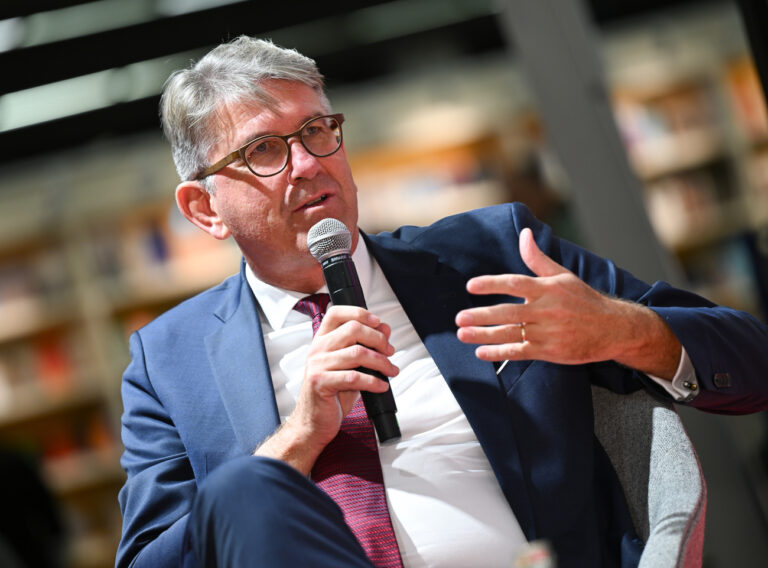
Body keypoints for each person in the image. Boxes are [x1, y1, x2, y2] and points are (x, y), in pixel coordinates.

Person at [116, 36, 768, 568]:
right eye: (263, 150)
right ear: (204, 209)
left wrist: (620, 331)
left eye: (316, 130)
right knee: (241, 485)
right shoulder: (168, 362)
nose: (309, 164)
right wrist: (297, 439)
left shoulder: (495, 252)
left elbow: (753, 361)